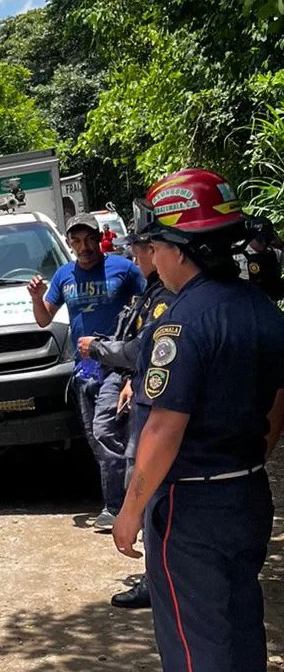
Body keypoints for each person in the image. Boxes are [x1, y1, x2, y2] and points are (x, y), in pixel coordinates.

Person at [112, 169, 284, 672]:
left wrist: (130, 509)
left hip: (191, 506)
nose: (152, 257)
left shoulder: (183, 322)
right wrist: (254, 457)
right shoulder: (262, 309)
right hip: (248, 493)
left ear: (179, 248)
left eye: (155, 245)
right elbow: (278, 400)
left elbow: (164, 427)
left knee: (195, 644)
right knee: (240, 623)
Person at [28, 213, 145, 528]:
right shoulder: (64, 275)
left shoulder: (124, 269)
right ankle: (131, 501)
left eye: (90, 239)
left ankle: (120, 507)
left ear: (99, 238)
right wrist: (37, 299)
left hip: (117, 365)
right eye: (77, 241)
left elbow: (150, 306)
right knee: (99, 439)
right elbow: (43, 319)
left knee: (105, 432)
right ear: (69, 244)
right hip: (84, 371)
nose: (85, 246)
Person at [77, 233, 172, 609]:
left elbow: (144, 350)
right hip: (133, 381)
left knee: (143, 475)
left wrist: (98, 349)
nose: (134, 255)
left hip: (150, 395)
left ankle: (156, 580)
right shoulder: (150, 290)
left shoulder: (166, 297)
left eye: (139, 249)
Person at [238, 216, 284, 301]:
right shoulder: (239, 255)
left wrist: (280, 244)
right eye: (259, 240)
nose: (262, 243)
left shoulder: (275, 253)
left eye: (266, 239)